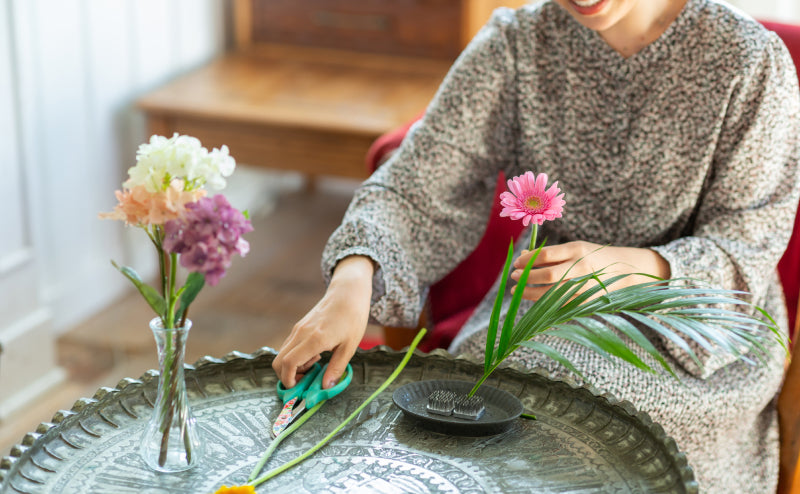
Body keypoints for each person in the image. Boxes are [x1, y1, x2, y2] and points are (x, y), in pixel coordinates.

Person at [272, 0, 800, 490]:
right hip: (537, 310)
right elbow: (416, 185)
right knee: (478, 417)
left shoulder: (748, 61)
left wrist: (626, 268)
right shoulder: (517, 44)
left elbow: (744, 247)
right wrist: (353, 276)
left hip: (693, 329)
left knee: (581, 429)